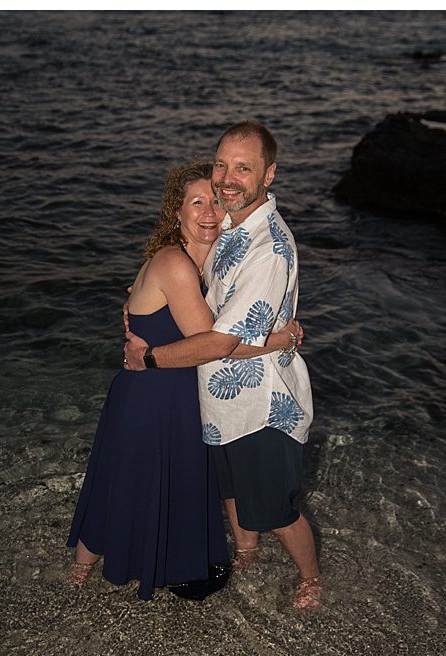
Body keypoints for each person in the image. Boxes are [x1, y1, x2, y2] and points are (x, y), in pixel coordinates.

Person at [64, 161, 295, 600]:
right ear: (177, 212)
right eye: (195, 203)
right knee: (125, 482)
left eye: (214, 201)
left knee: (155, 483)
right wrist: (284, 337)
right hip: (150, 397)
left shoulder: (214, 259)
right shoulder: (176, 263)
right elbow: (215, 343)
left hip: (176, 394)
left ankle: (132, 560)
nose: (208, 211)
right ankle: (80, 571)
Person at [125, 121, 319, 611]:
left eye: (243, 168)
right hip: (219, 398)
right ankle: (247, 551)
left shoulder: (267, 249)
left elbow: (221, 342)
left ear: (269, 174)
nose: (227, 179)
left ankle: (311, 577)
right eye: (221, 165)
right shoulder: (232, 223)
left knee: (275, 508)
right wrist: (140, 296)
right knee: (230, 489)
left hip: (262, 404)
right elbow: (184, 270)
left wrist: (149, 357)